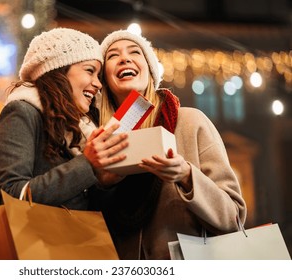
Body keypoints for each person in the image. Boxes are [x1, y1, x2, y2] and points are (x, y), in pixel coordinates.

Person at [92, 30, 247, 259]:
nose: (124, 58)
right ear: (104, 78)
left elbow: (234, 217)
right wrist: (102, 183)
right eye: (113, 55)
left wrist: (186, 176)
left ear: (150, 71)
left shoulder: (190, 122)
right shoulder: (97, 141)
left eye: (135, 52)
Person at [0, 27, 128, 211]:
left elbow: (82, 206)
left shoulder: (81, 129)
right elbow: (9, 196)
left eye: (98, 76)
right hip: (27, 239)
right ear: (59, 70)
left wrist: (102, 182)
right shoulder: (21, 113)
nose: (98, 84)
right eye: (90, 71)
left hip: (72, 238)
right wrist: (87, 164)